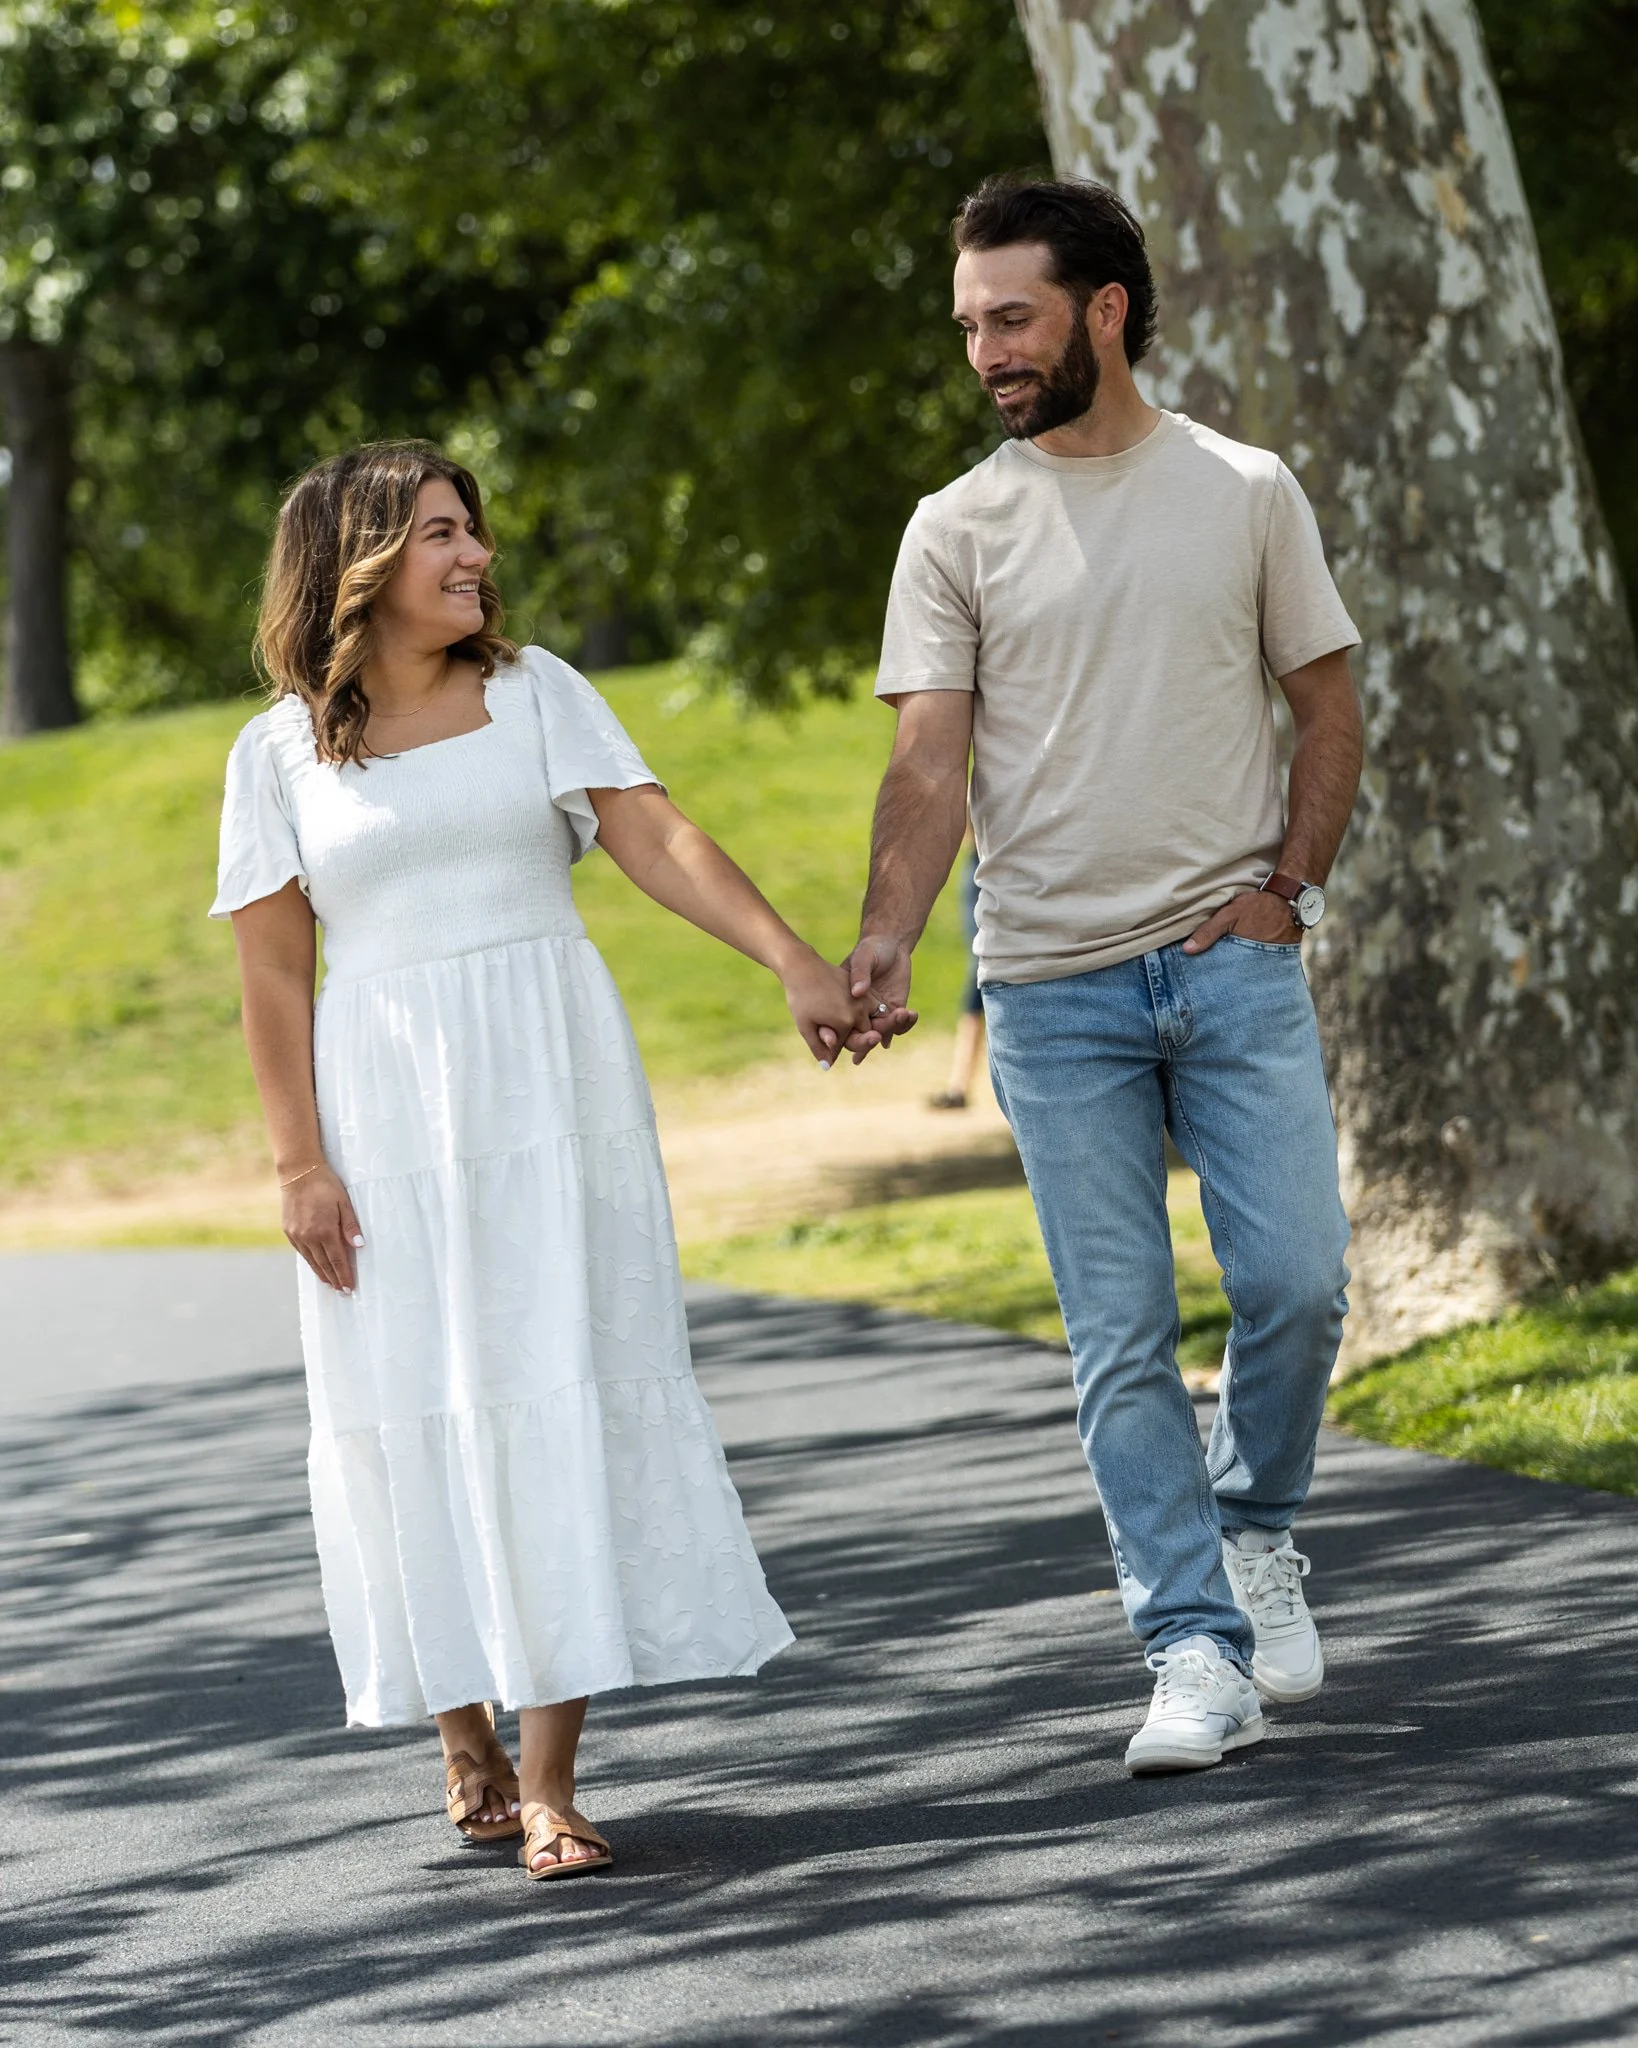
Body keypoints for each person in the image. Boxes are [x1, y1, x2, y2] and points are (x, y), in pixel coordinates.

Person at [212, 441, 880, 1878]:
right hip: (384, 1113)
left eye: (476, 532)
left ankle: (556, 1774)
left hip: (551, 1087)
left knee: (552, 1384)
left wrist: (790, 963)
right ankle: (465, 1736)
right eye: (443, 534)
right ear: (362, 561)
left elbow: (654, 838)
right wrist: (297, 1167)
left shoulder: (535, 693)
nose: (476, 558)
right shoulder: (276, 753)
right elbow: (273, 973)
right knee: (415, 1406)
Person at [847, 176, 1362, 1774]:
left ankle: (1254, 1528)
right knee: (1119, 1334)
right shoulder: (956, 528)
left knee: (1297, 1285)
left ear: (1104, 310)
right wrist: (881, 933)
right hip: (1050, 992)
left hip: (1228, 962)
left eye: (1011, 316)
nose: (986, 351)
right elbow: (928, 767)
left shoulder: (1242, 488)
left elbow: (1326, 706)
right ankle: (1188, 1643)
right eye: (968, 326)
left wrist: (1289, 887)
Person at [927, 831, 985, 1111]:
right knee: (978, 980)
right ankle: (959, 1083)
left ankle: (959, 1084)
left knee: (980, 980)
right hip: (980, 865)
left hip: (990, 865)